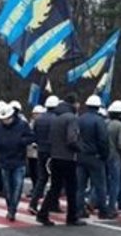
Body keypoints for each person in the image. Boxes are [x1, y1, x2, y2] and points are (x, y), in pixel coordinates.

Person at [37, 94, 84, 226]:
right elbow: (72, 139)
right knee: (71, 188)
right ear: (73, 104)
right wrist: (80, 148)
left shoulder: (57, 118)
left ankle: (43, 213)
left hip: (55, 156)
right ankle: (72, 216)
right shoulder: (72, 118)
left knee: (55, 187)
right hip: (68, 157)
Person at [0, 103, 35, 221]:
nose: (5, 121)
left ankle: (13, 209)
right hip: (4, 160)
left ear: (12, 116)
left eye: (7, 119)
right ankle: (10, 206)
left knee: (18, 186)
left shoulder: (22, 125)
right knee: (7, 188)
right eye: (3, 119)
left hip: (19, 160)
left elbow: (31, 137)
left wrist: (21, 141)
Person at [77, 95, 113, 219]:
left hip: (81, 156)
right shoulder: (99, 121)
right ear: (98, 107)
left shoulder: (79, 119)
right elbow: (103, 140)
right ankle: (103, 211)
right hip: (95, 157)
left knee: (80, 186)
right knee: (100, 185)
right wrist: (104, 155)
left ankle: (79, 210)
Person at [29, 96, 59, 214]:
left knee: (42, 178)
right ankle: (52, 204)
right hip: (52, 152)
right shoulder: (56, 119)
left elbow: (34, 135)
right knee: (55, 179)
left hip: (40, 151)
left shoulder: (39, 119)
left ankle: (33, 202)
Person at [106, 100, 121, 211]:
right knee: (115, 182)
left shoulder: (105, 123)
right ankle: (112, 206)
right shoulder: (120, 126)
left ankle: (94, 202)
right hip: (115, 156)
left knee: (103, 180)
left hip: (103, 155)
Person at [26, 105, 44, 193]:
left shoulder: (42, 124)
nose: (35, 115)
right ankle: (34, 187)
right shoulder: (30, 124)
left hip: (38, 151)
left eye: (37, 114)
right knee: (32, 171)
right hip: (30, 151)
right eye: (34, 114)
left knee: (38, 172)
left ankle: (38, 190)